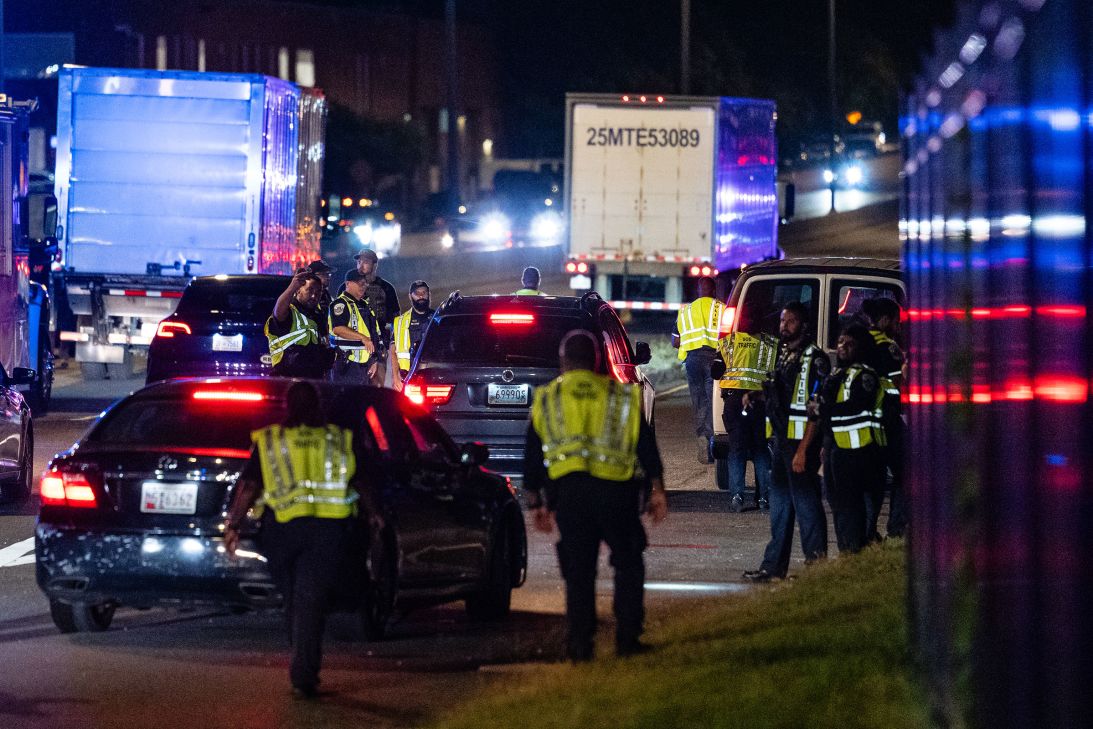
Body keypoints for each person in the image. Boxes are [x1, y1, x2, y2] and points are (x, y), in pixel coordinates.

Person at [524, 330, 668, 662]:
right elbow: (645, 445)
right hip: (616, 492)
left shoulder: (548, 399)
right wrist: (657, 490)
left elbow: (532, 452)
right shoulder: (621, 397)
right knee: (629, 563)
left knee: (578, 572)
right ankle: (628, 639)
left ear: (563, 361)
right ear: (597, 361)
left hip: (570, 497)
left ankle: (580, 644)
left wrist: (536, 502)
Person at [223, 381, 362, 699]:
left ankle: (303, 668)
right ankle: (304, 665)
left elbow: (249, 485)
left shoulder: (272, 440)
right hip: (327, 529)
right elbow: (361, 479)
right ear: (318, 405)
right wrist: (376, 516)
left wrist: (233, 525)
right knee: (308, 600)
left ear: (287, 406)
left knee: (298, 600)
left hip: (282, 531)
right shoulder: (337, 439)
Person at [743, 301, 830, 582]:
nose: (784, 326)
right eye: (782, 321)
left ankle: (815, 567)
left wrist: (804, 450)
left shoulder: (814, 359)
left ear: (803, 325)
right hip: (781, 442)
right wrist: (757, 397)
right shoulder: (784, 355)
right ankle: (773, 567)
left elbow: (817, 410)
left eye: (790, 321)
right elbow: (782, 396)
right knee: (779, 508)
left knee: (807, 506)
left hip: (800, 445)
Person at [819, 325, 886, 554]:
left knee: (854, 507)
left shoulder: (865, 374)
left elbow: (857, 405)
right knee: (838, 504)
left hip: (863, 449)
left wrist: (825, 408)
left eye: (849, 344)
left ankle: (856, 551)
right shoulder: (836, 374)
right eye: (840, 342)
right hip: (836, 447)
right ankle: (846, 550)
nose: (843, 347)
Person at [860, 297, 907, 539]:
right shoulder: (888, 347)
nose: (898, 327)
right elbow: (896, 383)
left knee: (870, 479)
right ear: (886, 320)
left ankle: (867, 532)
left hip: (862, 421)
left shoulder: (859, 342)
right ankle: (897, 526)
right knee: (907, 469)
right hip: (886, 419)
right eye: (897, 322)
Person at [718, 328, 779, 512]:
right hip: (760, 401)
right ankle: (763, 498)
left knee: (737, 450)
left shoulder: (728, 342)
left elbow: (715, 370)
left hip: (734, 400)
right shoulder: (771, 344)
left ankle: (737, 497)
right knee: (761, 449)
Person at [672, 277, 724, 464]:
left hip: (692, 360)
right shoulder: (723, 309)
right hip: (714, 360)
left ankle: (702, 435)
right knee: (713, 401)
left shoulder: (685, 311)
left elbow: (675, 341)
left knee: (698, 400)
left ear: (698, 291)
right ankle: (711, 440)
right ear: (714, 291)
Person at [265, 269, 332, 379]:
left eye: (318, 292)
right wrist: (292, 287)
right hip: (286, 380)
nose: (314, 296)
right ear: (298, 291)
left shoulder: (317, 316)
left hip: (313, 380)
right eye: (310, 290)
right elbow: (278, 312)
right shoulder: (290, 313)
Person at [354, 249, 401, 385]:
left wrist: (391, 342)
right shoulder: (349, 287)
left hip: (379, 345)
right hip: (355, 346)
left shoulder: (386, 288)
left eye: (365, 262)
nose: (361, 265)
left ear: (375, 265)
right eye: (359, 261)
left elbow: (395, 318)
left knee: (376, 387)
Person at [329, 269, 381, 384]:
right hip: (347, 365)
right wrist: (363, 338)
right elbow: (338, 329)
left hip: (364, 365)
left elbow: (373, 333)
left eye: (365, 283)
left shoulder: (365, 305)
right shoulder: (340, 304)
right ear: (348, 284)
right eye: (360, 283)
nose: (364, 286)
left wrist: (373, 360)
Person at [390, 280, 434, 390]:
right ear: (410, 296)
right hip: (406, 378)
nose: (421, 296)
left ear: (429, 294)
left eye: (424, 292)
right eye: (417, 293)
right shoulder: (400, 322)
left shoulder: (437, 318)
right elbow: (393, 351)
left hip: (432, 376)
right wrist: (395, 377)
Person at [307, 259, 335, 335]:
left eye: (329, 274)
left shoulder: (326, 295)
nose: (328, 277)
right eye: (323, 274)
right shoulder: (306, 295)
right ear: (312, 276)